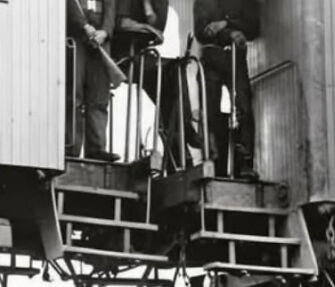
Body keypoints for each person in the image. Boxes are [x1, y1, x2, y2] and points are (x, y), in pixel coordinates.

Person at [112, 0, 202, 169]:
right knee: (164, 76)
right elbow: (121, 23)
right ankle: (184, 134)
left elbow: (155, 22)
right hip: (122, 56)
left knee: (175, 71)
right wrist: (147, 28)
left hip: (141, 56)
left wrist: (147, 6)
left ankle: (181, 138)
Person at [193, 0, 260, 180]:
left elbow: (253, 26)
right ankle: (212, 161)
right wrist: (232, 31)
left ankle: (244, 163)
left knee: (243, 107)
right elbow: (202, 31)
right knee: (210, 112)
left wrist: (224, 24)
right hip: (211, 57)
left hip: (235, 58)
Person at [66, 0, 119, 161]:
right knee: (73, 95)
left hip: (101, 41)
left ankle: (96, 148)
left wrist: (105, 32)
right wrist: (83, 26)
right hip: (77, 37)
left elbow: (110, 7)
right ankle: (70, 146)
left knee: (99, 96)